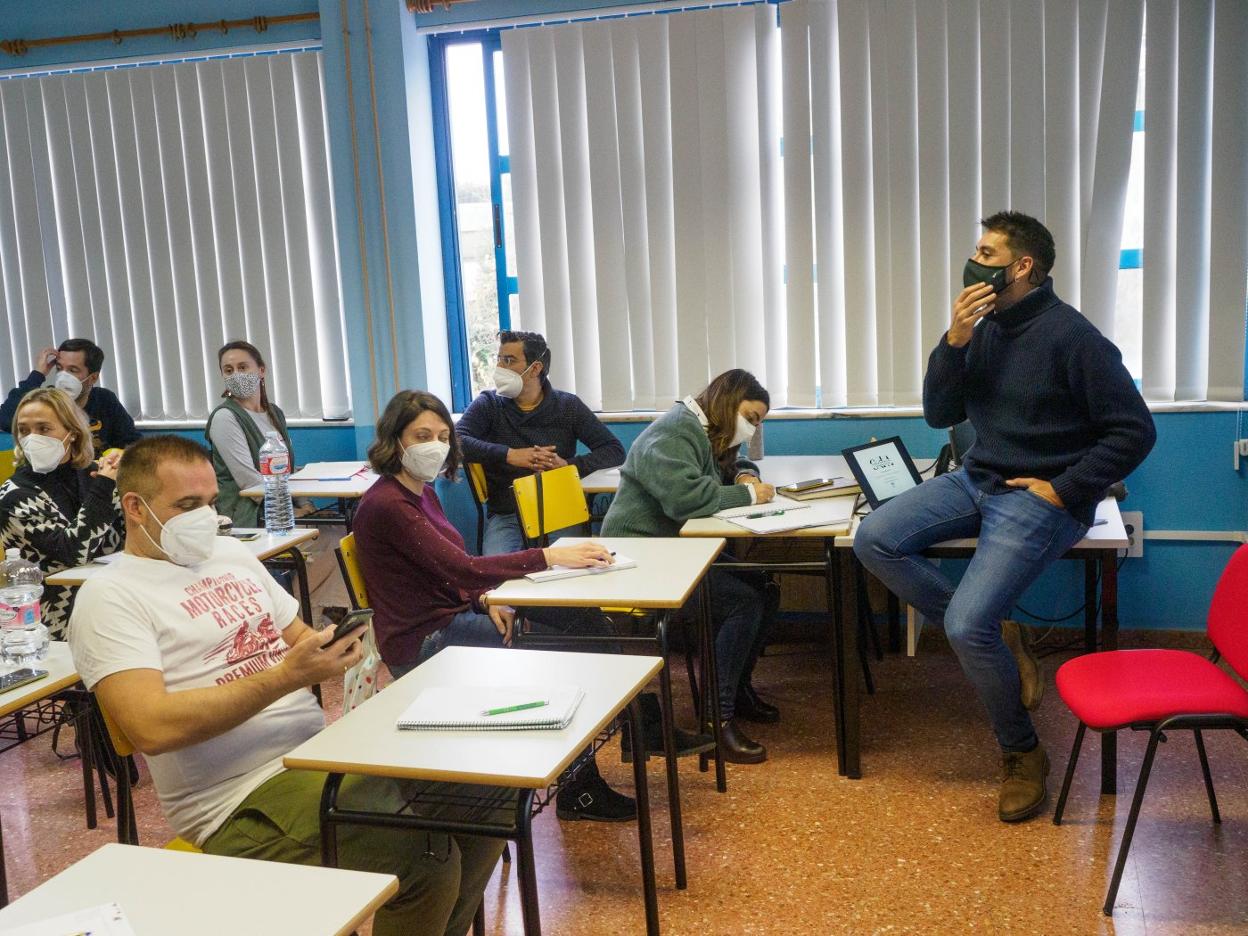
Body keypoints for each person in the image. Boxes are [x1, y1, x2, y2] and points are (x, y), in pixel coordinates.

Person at [68, 435, 506, 936]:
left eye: (211, 503)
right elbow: (151, 728)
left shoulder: (229, 555)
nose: (206, 518)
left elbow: (302, 641)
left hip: (317, 757)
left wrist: (339, 650)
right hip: (237, 801)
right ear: (135, 508)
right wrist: (283, 677)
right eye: (187, 505)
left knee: (486, 795)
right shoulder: (111, 596)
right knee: (423, 855)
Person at [853, 211, 1156, 823]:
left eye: (986, 251)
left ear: (1022, 267)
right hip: (977, 476)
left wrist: (1064, 488)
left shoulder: (1075, 338)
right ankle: (1005, 635)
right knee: (874, 537)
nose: (973, 260)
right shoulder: (985, 328)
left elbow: (1134, 430)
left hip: (1038, 495)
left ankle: (1022, 753)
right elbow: (941, 415)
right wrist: (954, 341)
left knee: (966, 626)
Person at [353, 390, 638, 822]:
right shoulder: (388, 503)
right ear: (394, 441)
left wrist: (483, 598)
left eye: (444, 435)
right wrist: (548, 556)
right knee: (571, 650)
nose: (436, 444)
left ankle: (624, 733)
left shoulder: (421, 492)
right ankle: (582, 786)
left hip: (453, 615)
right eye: (422, 435)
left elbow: (445, 571)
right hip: (425, 641)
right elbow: (462, 566)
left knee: (587, 621)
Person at [602, 369, 779, 764]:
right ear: (727, 402)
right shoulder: (672, 433)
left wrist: (745, 471)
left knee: (764, 587)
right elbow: (687, 500)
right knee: (741, 601)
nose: (751, 430)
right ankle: (718, 718)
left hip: (672, 551)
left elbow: (726, 464)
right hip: (638, 557)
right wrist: (748, 494)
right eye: (750, 418)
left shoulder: (702, 429)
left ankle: (738, 688)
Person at [457, 330, 626, 555]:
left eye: (509, 360)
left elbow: (614, 450)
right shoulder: (489, 404)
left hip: (560, 509)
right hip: (509, 514)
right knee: (496, 576)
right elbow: (455, 441)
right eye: (499, 359)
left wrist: (568, 465)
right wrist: (510, 454)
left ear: (535, 368)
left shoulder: (567, 406)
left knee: (571, 571)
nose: (500, 368)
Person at [0, 388, 123, 639]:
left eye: (44, 429)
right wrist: (105, 486)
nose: (32, 438)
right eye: (24, 430)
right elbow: (75, 550)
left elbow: (130, 533)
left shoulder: (93, 474)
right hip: (53, 616)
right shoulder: (13, 495)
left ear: (73, 434)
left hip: (112, 596)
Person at [204, 341, 303, 527]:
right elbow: (250, 483)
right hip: (247, 514)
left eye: (242, 367)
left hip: (279, 509)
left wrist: (305, 502)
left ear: (261, 371)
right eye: (228, 370)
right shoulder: (224, 417)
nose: (236, 375)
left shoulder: (274, 413)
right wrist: (291, 509)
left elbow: (285, 469)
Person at [0, 339, 140, 453]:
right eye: (60, 369)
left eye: (73, 370)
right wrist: (38, 374)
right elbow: (6, 420)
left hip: (99, 475)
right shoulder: (46, 401)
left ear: (93, 378)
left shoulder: (104, 399)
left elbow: (132, 441)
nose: (63, 376)